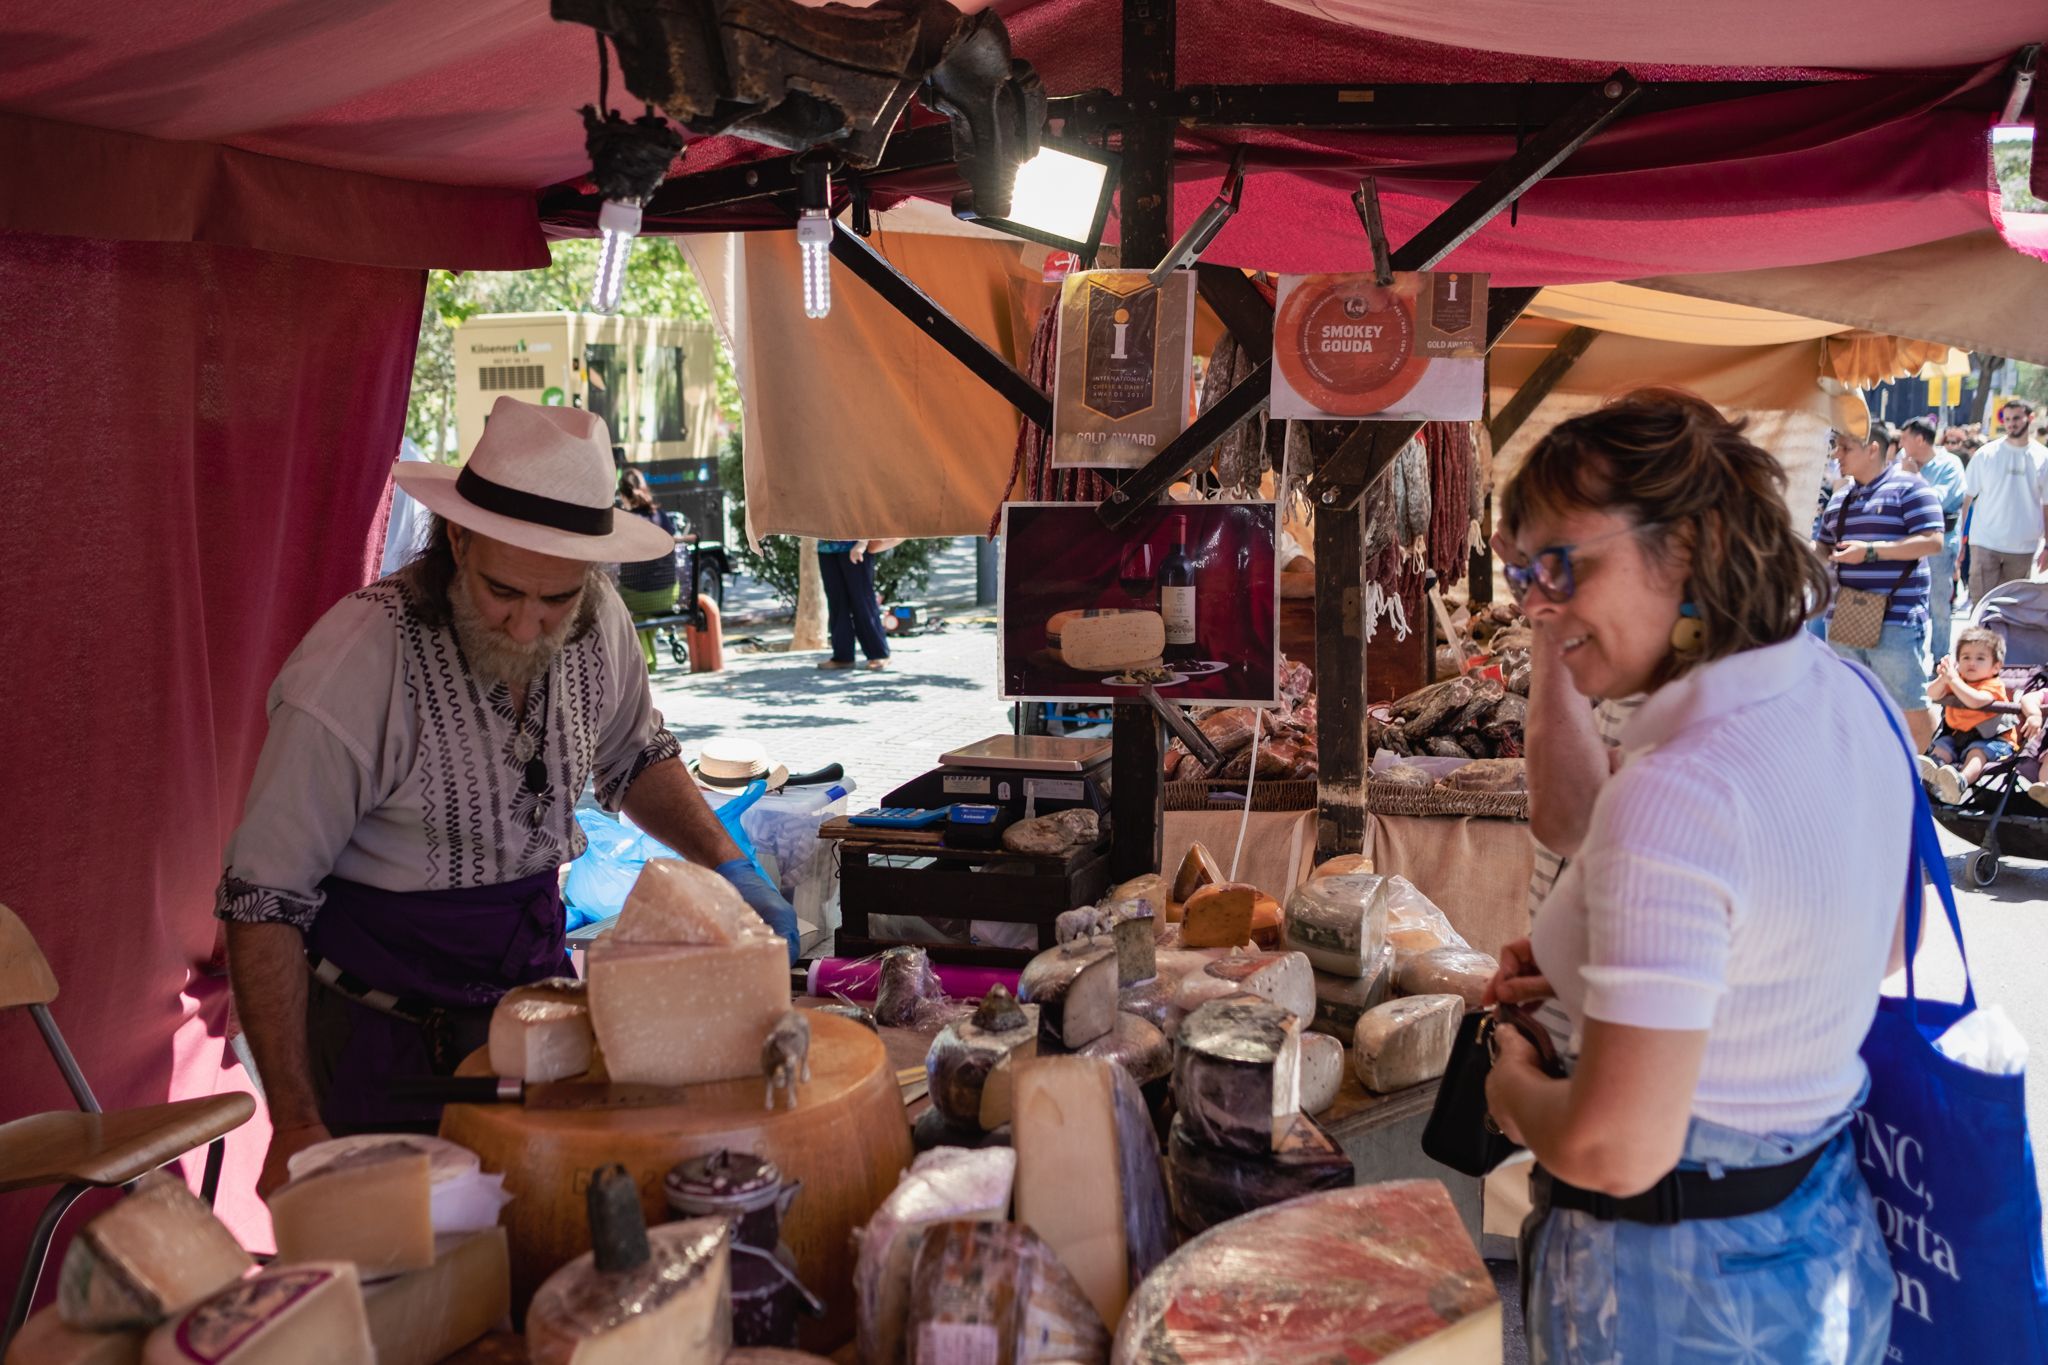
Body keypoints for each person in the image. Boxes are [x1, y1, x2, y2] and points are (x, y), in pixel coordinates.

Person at [216, 397, 801, 1194]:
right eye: (501, 592)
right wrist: (295, 1119)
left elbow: (636, 755)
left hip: (538, 1010)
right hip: (381, 1035)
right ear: (456, 540)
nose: (527, 627)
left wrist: (732, 865)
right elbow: (262, 903)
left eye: (555, 599)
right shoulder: (354, 668)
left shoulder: (599, 627)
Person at [1483, 390, 1898, 1362]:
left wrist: (1512, 1094)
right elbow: (1868, 945)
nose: (1533, 603)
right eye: (1519, 575)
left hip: (1671, 1292)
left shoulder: (1677, 791)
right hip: (1819, 1242)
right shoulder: (1850, 696)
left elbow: (1611, 1149)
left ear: (1690, 543)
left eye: (1559, 565)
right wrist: (1618, 981)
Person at [1812, 419, 1944, 749]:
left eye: (1845, 448)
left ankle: (1917, 778)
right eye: (1836, 447)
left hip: (1896, 617)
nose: (1836, 454)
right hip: (1846, 615)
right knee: (1853, 703)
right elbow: (1823, 548)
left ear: (1874, 449)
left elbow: (1932, 542)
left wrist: (1870, 552)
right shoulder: (1840, 498)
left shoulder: (1911, 488)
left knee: (1909, 705)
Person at [1918, 625, 2018, 805]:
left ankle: (1960, 781)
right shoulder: (1958, 681)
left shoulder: (1993, 685)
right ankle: (1936, 774)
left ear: (1995, 667)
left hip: (1993, 739)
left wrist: (1954, 680)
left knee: (1977, 752)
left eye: (1980, 658)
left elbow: (1976, 701)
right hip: (1957, 737)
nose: (1972, 663)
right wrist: (1943, 679)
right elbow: (1932, 694)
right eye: (1966, 657)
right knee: (1941, 746)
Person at [1960, 398, 2048, 603]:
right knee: (1981, 606)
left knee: (2012, 610)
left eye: (2016, 418)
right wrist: (1961, 542)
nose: (2011, 423)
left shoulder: (2042, 457)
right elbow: (1967, 499)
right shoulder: (1986, 454)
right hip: (1984, 543)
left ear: (2030, 418)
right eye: (2007, 419)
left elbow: (2046, 505)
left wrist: (2047, 546)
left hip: (2023, 547)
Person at [1899, 416, 1965, 665]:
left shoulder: (1949, 464)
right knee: (1908, 603)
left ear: (1919, 439)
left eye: (1905, 438)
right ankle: (1911, 658)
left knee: (1938, 604)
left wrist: (1915, 478)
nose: (1901, 443)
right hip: (1907, 543)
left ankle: (1941, 662)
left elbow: (1937, 501)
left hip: (1939, 543)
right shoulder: (1903, 462)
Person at [614, 467, 683, 671]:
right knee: (642, 607)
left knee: (632, 605)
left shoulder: (624, 522)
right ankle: (648, 661)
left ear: (622, 495)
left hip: (636, 597)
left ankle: (646, 662)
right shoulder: (661, 516)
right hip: (668, 594)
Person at [816, 537, 901, 671]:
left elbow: (865, 516)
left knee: (862, 601)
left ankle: (879, 654)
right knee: (837, 604)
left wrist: (862, 543)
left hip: (855, 546)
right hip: (826, 548)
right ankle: (843, 657)